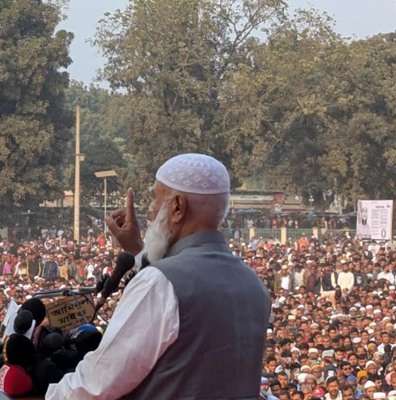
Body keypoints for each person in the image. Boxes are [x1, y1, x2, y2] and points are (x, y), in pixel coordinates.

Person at [46, 153, 271, 400]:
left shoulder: (158, 283)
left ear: (178, 207)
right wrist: (137, 250)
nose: (150, 211)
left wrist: (47, 393)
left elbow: (94, 385)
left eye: (155, 198)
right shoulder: (254, 284)